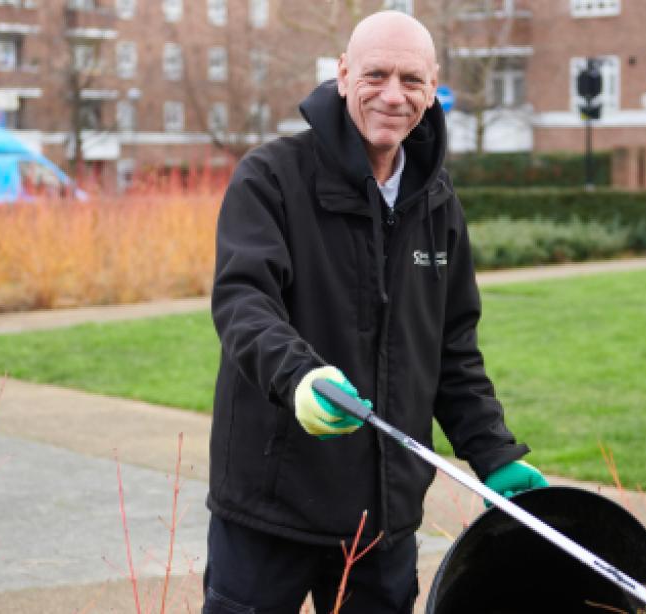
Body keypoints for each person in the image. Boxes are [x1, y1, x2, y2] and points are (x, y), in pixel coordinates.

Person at [205, 10, 546, 613]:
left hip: (382, 520)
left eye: (412, 80)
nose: (394, 95)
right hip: (270, 509)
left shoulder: (438, 204)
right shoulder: (270, 178)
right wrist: (300, 377)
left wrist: (493, 454)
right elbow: (243, 303)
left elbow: (451, 350)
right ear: (342, 75)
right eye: (376, 75)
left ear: (434, 86)